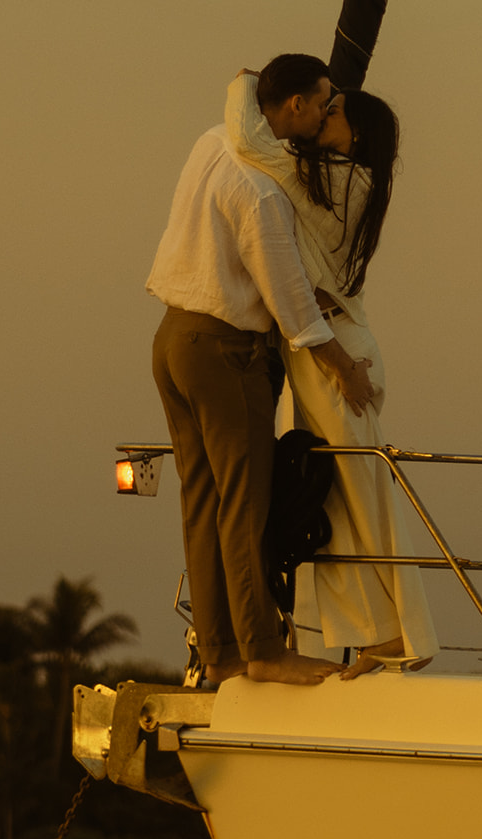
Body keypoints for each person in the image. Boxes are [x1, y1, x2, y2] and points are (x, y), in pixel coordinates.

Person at [147, 54, 377, 688]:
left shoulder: (212, 141)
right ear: (296, 105)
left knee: (203, 503)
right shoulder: (262, 191)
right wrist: (343, 370)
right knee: (244, 506)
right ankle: (263, 651)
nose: (331, 110)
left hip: (173, 339)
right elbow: (291, 306)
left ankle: (219, 652)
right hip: (225, 352)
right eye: (325, 100)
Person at [225, 70, 437, 679]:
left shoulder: (341, 182)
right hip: (328, 345)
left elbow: (247, 141)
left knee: (359, 490)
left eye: (333, 112)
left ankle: (398, 631)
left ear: (354, 135)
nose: (322, 119)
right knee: (335, 496)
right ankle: (372, 632)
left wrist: (248, 79)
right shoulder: (339, 183)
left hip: (340, 355)